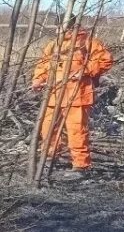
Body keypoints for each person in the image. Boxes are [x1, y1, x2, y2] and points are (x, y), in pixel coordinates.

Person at [31, 20, 114, 176]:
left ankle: (81, 166)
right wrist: (38, 79)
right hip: (53, 95)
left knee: (77, 131)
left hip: (78, 96)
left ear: (71, 26)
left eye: (61, 26)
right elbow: (43, 64)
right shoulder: (54, 45)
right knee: (48, 128)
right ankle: (49, 159)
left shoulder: (87, 42)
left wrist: (84, 71)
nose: (58, 29)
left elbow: (106, 60)